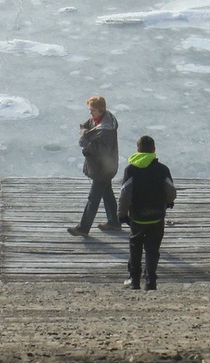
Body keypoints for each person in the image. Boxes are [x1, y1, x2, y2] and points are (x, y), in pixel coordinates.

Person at [117, 135, 177, 291]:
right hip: (157, 217)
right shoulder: (162, 169)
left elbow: (125, 195)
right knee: (152, 249)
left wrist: (122, 215)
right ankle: (151, 282)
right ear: (154, 150)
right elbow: (170, 191)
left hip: (137, 217)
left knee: (135, 247)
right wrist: (169, 202)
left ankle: (134, 280)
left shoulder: (130, 170)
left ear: (137, 150)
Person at [67, 96, 120, 236]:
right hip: (105, 166)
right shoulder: (99, 119)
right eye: (89, 110)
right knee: (107, 193)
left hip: (103, 168)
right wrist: (84, 132)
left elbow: (103, 150)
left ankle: (83, 228)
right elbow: (86, 125)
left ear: (101, 110)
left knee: (93, 199)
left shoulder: (106, 130)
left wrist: (87, 145)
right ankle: (114, 222)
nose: (90, 113)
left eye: (92, 111)